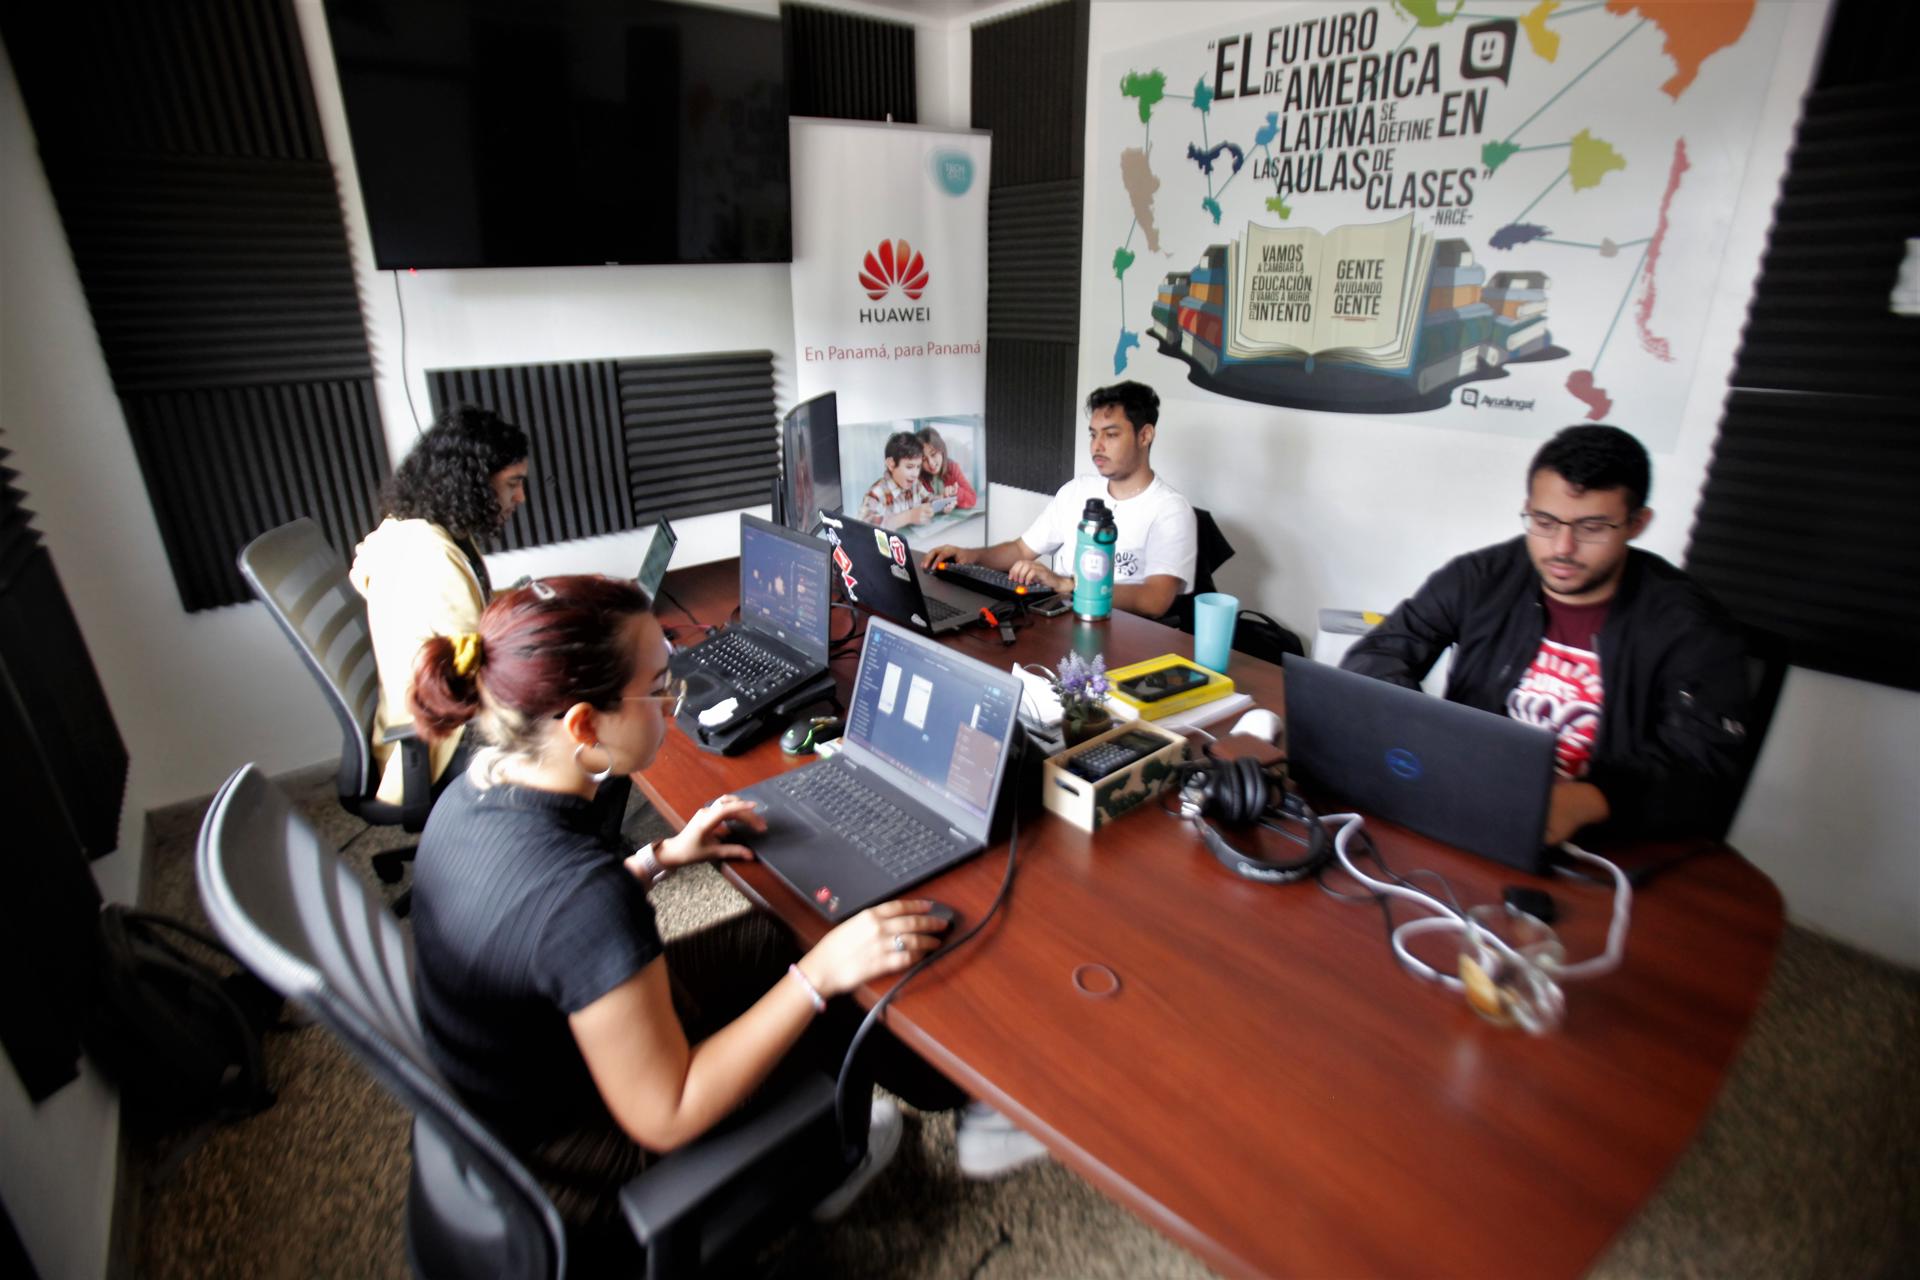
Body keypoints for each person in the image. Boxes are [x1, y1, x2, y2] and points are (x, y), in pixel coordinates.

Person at [407, 575, 961, 1265]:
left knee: (782, 934)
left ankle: (923, 1086)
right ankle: (845, 1145)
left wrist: (658, 858)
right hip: (578, 1165)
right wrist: (817, 976)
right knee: (831, 985)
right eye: (659, 689)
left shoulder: (472, 792)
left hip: (525, 1079)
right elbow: (667, 1113)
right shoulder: (581, 899)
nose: (675, 704)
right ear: (583, 725)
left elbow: (537, 931)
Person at [1341, 424, 1751, 845]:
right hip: (1464, 805)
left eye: (1592, 527)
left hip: (1600, 840)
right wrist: (1427, 742)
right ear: (1528, 509)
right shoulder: (1481, 578)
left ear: (1636, 523)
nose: (1562, 548)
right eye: (1545, 521)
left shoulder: (1690, 626)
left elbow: (1706, 767)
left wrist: (1591, 799)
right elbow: (1377, 656)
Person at [350, 404, 529, 806]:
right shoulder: (433, 557)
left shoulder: (415, 529)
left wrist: (526, 599)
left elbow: (469, 616)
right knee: (590, 725)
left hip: (428, 713)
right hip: (445, 735)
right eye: (512, 483)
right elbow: (484, 667)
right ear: (474, 482)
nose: (520, 496)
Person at [921, 381, 1197, 619]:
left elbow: (1155, 600)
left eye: (1111, 434)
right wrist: (971, 556)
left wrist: (1069, 585)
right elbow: (1021, 550)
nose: (1097, 446)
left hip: (1121, 631)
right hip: (1058, 618)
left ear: (1145, 435)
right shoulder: (1078, 490)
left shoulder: (1170, 510)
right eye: (1093, 434)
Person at [858, 430, 934, 529]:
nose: (915, 474)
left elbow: (929, 500)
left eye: (918, 467)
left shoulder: (916, 485)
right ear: (891, 464)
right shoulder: (876, 493)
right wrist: (909, 516)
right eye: (909, 467)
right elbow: (862, 526)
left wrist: (943, 503)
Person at [916, 425, 978, 512]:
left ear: (942, 450)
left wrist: (955, 493)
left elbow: (972, 498)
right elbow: (917, 504)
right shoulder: (917, 475)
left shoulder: (952, 467)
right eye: (924, 459)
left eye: (933, 454)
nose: (931, 463)